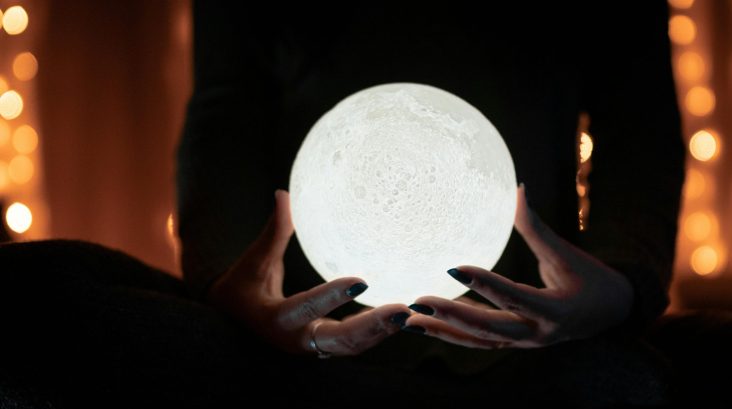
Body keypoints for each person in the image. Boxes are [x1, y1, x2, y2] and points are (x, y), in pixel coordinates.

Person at [178, 1, 684, 361]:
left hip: (536, 335)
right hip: (304, 324)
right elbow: (228, 105)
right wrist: (229, 279)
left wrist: (623, 282)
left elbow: (639, 116)